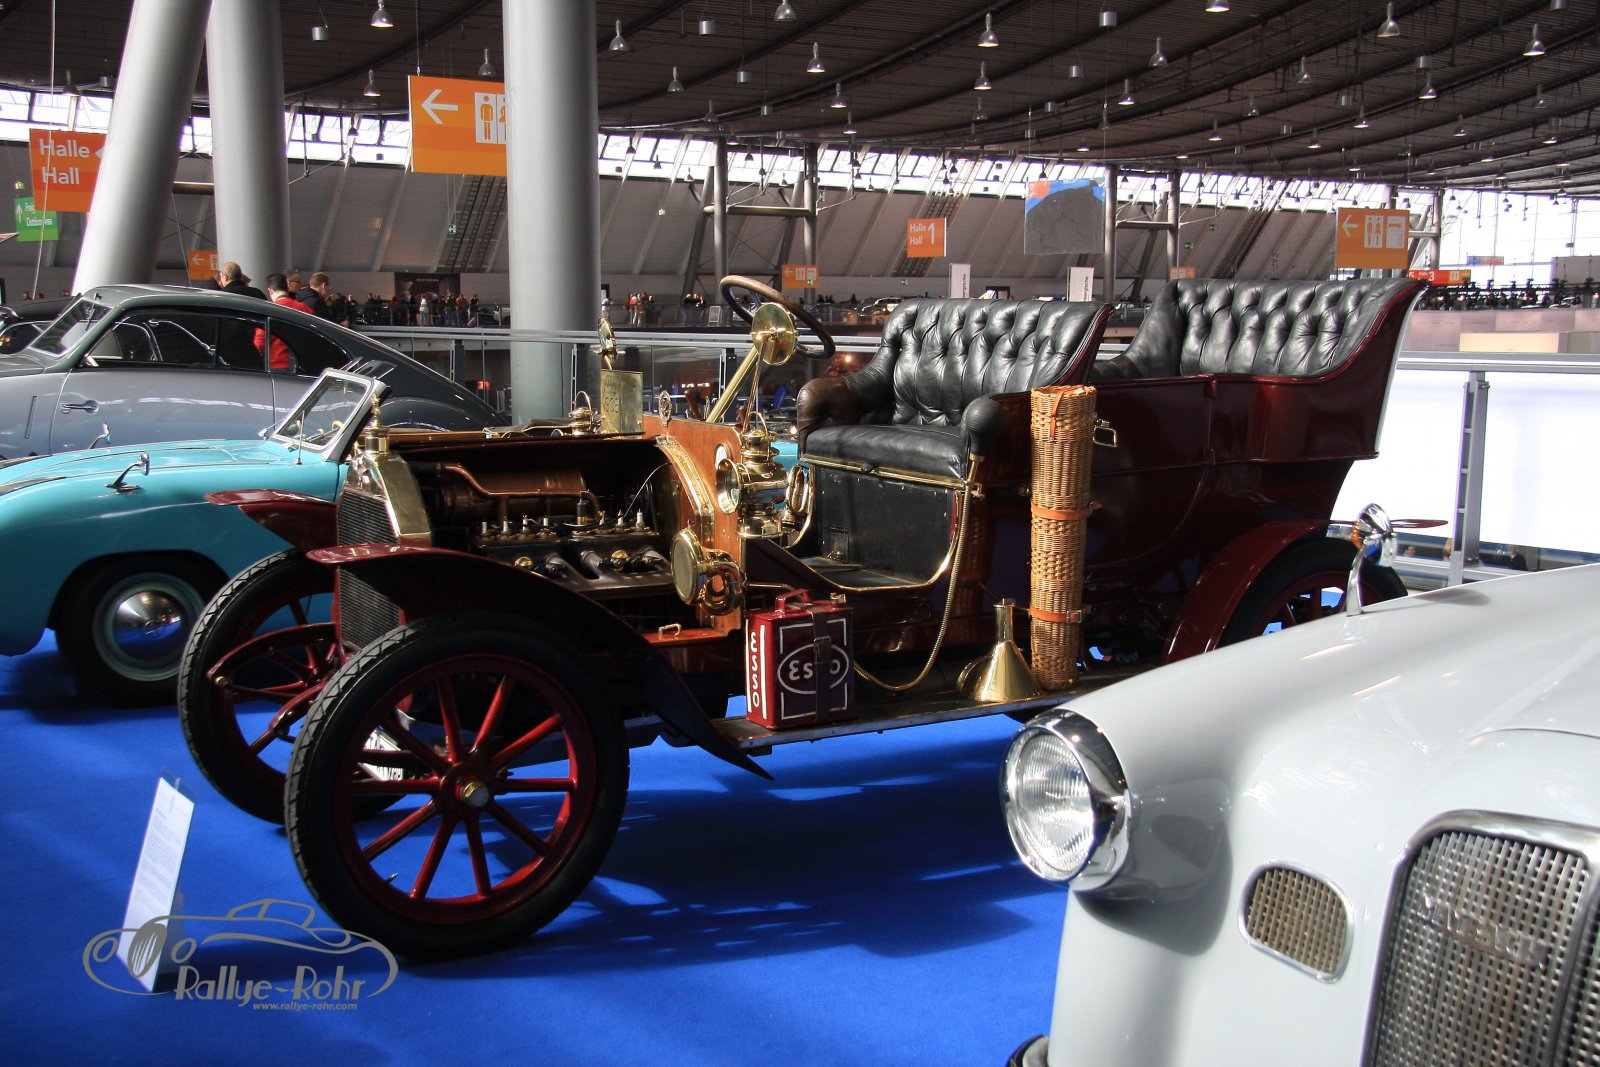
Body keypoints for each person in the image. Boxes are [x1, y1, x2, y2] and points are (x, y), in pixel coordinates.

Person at [254, 272, 312, 373]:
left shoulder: (268, 311)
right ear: (287, 287)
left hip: (276, 365)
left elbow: (260, 343)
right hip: (302, 364)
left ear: (270, 291)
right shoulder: (304, 308)